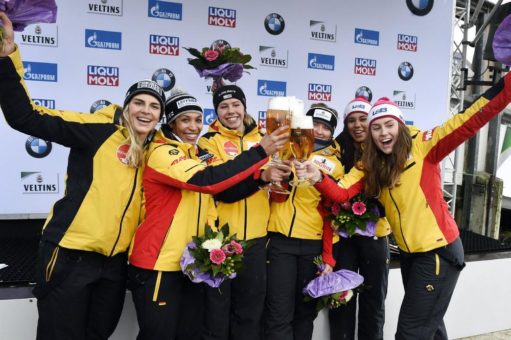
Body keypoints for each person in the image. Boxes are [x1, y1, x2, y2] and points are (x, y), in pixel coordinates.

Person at [297, 76, 511, 339]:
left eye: (389, 125)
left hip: (437, 252)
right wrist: (318, 177)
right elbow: (341, 194)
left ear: (399, 125)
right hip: (412, 256)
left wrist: (508, 82)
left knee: (410, 333)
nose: (384, 132)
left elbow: (471, 117)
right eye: (377, 128)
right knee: (430, 329)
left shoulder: (423, 145)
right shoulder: (369, 164)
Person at [0, 12, 166, 340]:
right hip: (70, 255)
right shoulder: (98, 131)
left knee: (98, 335)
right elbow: (27, 117)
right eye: (138, 102)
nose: (145, 110)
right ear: (127, 106)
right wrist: (7, 57)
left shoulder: (158, 151)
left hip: (114, 264)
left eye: (154, 106)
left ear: (160, 116)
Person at [127, 89, 289, 340]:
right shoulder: (165, 151)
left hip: (189, 259)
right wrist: (260, 155)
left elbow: (213, 195)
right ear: (171, 123)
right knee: (165, 333)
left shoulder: (190, 152)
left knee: (191, 331)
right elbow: (210, 182)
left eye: (196, 119)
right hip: (159, 261)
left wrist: (264, 177)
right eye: (184, 120)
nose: (193, 127)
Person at [197, 85, 291, 340]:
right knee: (216, 318)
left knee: (249, 317)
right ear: (216, 111)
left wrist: (289, 174)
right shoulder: (208, 141)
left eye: (235, 104)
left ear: (245, 106)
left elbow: (281, 184)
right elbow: (222, 191)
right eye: (223, 106)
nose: (230, 111)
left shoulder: (266, 138)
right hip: (220, 242)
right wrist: (261, 177)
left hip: (257, 241)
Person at [264, 103, 343, 340]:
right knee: (278, 311)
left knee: (304, 311)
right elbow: (274, 196)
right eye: (314, 125)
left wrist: (328, 256)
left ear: (332, 133)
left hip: (312, 246)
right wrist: (283, 173)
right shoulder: (282, 150)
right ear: (304, 128)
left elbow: (332, 215)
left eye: (325, 128)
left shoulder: (335, 165)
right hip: (280, 242)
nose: (319, 131)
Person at [328, 97, 391, 340]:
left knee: (373, 300)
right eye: (351, 121)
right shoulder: (337, 149)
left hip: (376, 235)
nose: (357, 125)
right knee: (342, 296)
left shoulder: (387, 149)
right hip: (343, 236)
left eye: (363, 119)